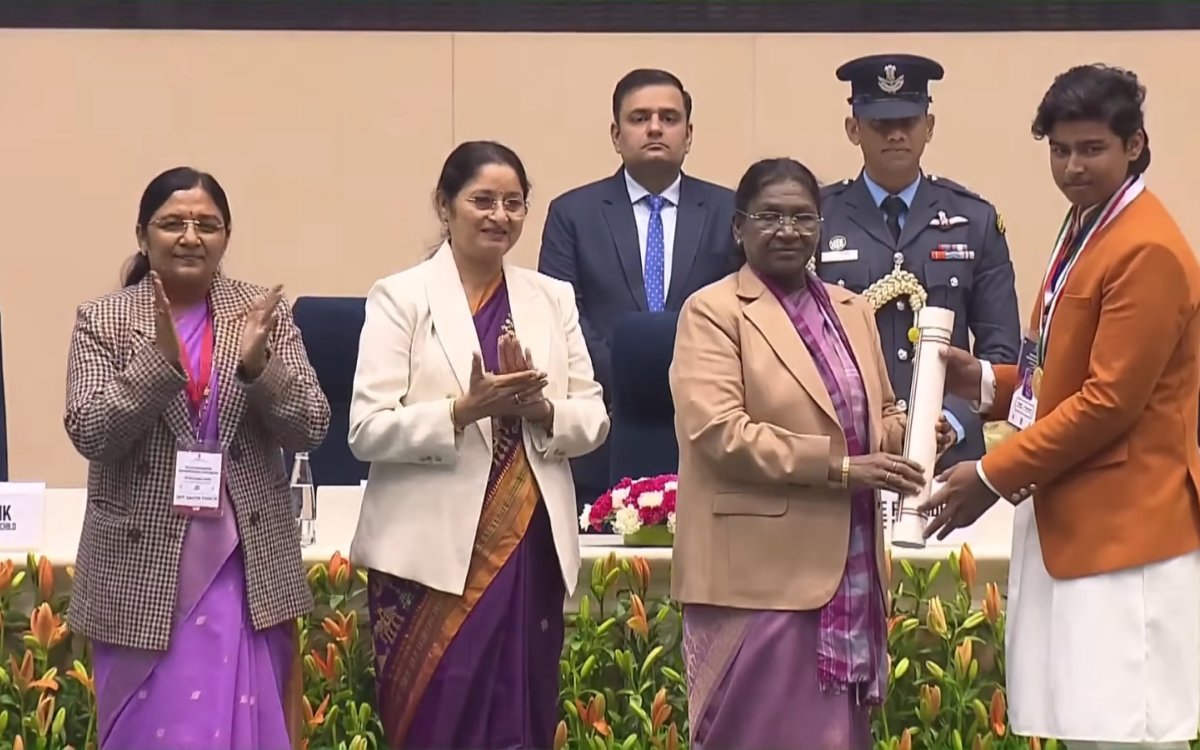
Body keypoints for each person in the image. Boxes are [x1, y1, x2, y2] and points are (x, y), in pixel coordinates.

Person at [922, 64, 1200, 750]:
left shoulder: (1145, 245)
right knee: (1084, 729)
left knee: (1127, 734)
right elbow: (1061, 369)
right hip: (1078, 521)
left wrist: (990, 475)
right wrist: (985, 383)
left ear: (1134, 145)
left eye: (1092, 149)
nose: (1073, 166)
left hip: (1127, 531)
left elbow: (1109, 403)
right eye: (1060, 150)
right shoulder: (1088, 224)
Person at [669, 157, 954, 750]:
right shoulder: (713, 312)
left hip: (847, 566)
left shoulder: (851, 309)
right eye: (769, 216)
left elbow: (879, 415)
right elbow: (719, 433)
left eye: (802, 217)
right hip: (755, 578)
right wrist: (842, 469)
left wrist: (916, 436)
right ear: (738, 227)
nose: (787, 230)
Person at [348, 141, 609, 749]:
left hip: (526, 546)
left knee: (521, 712)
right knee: (438, 721)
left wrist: (540, 409)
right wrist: (462, 412)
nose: (499, 216)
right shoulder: (401, 297)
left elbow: (594, 417)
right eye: (483, 200)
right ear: (445, 206)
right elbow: (366, 428)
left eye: (513, 203)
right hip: (427, 559)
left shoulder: (551, 298)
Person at [64, 167, 330, 749]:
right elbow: (90, 432)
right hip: (141, 568)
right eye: (173, 223)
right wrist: (156, 365)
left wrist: (260, 367)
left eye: (207, 224)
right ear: (142, 235)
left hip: (244, 565)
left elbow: (311, 425)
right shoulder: (104, 319)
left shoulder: (261, 315)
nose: (190, 236)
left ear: (226, 237)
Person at [538, 67, 735, 511]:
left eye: (669, 118)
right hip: (604, 422)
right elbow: (562, 314)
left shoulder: (729, 210)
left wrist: (688, 375)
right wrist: (634, 373)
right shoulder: (573, 213)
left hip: (708, 424)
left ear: (689, 134)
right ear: (616, 134)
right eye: (640, 118)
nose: (655, 128)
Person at [817, 53, 1020, 473]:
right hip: (853, 448)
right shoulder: (819, 218)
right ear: (853, 129)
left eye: (907, 122)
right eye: (880, 124)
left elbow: (1000, 350)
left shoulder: (973, 219)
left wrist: (952, 422)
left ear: (928, 126)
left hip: (949, 453)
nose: (895, 135)